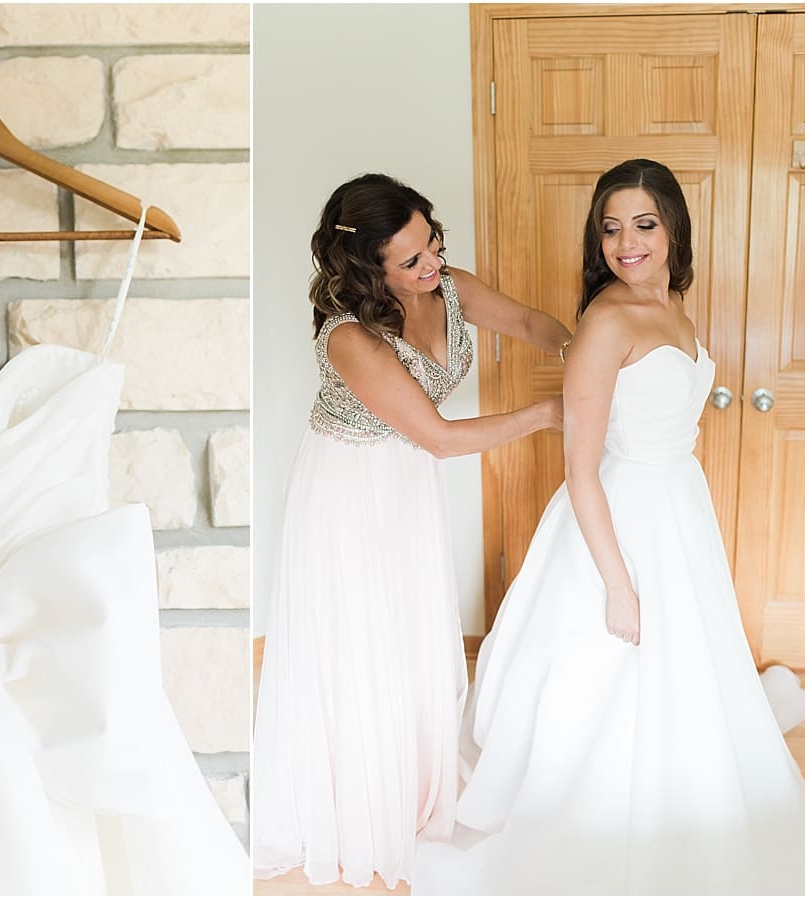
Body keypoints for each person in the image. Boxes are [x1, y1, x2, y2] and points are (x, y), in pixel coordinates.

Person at [411, 159, 805, 895]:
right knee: (611, 672)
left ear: (674, 227)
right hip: (616, 517)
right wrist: (618, 584)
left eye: (643, 224)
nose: (625, 243)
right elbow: (580, 468)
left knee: (689, 670)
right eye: (610, 229)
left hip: (679, 509)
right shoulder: (606, 321)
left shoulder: (674, 305)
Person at [252, 173, 571, 889]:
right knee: (363, 638)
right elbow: (440, 437)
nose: (432, 264)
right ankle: (362, 799)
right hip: (349, 490)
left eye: (432, 242)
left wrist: (579, 350)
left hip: (405, 483)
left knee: (411, 630)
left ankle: (416, 778)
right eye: (411, 260)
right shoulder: (350, 338)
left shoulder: (448, 287)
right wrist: (549, 414)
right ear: (370, 268)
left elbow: (527, 322)